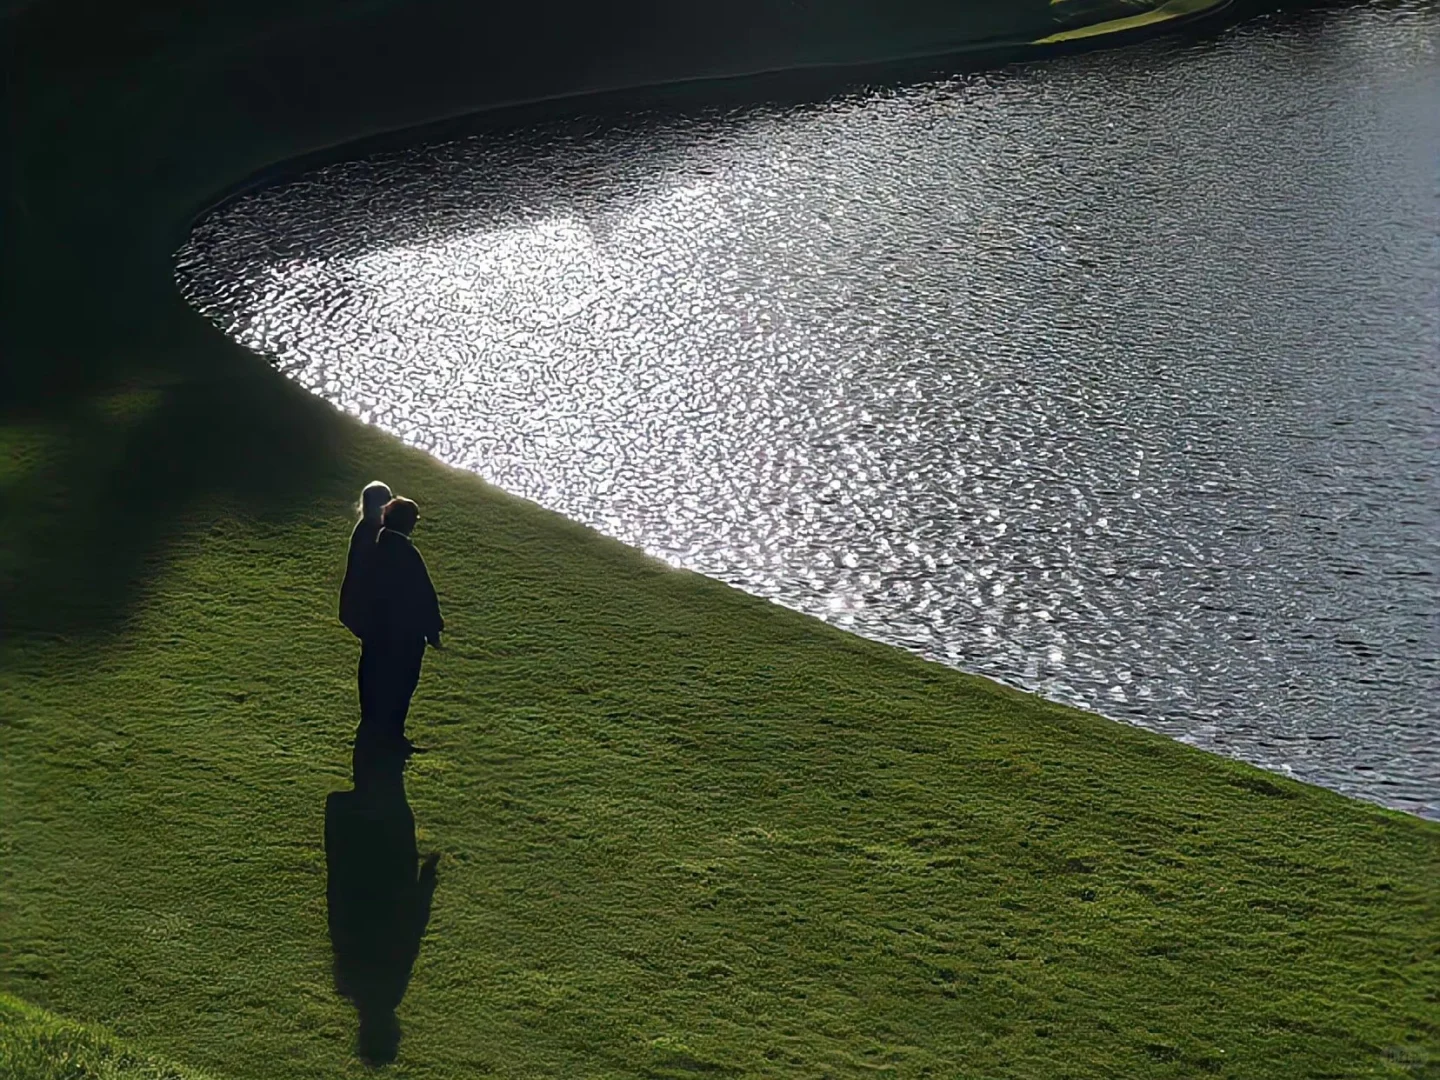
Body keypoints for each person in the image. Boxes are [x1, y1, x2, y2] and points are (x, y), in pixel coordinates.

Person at [368, 497, 443, 744]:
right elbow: (422, 594)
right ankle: (393, 736)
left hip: (380, 631)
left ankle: (379, 733)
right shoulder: (407, 553)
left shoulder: (377, 548)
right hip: (405, 634)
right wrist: (433, 629)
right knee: (403, 684)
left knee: (383, 682)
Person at [339, 481, 392, 725]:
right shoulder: (369, 535)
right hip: (368, 610)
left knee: (375, 658)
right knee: (374, 659)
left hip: (368, 609)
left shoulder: (370, 531)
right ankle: (372, 712)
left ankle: (374, 710)